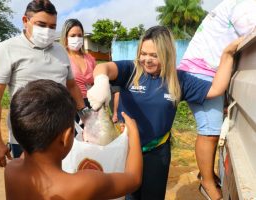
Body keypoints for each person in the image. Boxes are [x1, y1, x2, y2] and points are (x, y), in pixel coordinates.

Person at [87, 25, 242, 200]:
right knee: (129, 195)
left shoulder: (179, 80)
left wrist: (227, 55)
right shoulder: (131, 70)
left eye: (154, 55)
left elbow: (216, 89)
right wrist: (100, 81)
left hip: (157, 151)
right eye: (143, 53)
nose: (147, 59)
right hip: (126, 150)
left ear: (167, 54)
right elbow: (104, 68)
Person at [0, 0, 85, 167]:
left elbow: (72, 85)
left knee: (61, 185)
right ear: (25, 21)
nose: (47, 31)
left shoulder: (60, 50)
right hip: (26, 139)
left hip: (61, 137)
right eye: (41, 24)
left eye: (52, 27)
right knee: (29, 188)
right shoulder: (7, 49)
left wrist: (86, 115)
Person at [4, 79, 143, 200]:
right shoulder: (84, 184)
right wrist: (134, 134)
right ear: (65, 137)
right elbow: (133, 179)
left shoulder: (11, 171)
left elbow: (29, 146)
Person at [178, 0, 256, 199]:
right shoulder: (244, 4)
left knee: (209, 131)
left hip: (203, 69)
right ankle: (207, 183)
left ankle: (207, 174)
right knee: (209, 133)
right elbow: (250, 27)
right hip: (201, 71)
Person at [60, 18, 96, 110]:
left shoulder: (90, 58)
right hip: (71, 105)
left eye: (79, 35)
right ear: (65, 37)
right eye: (73, 35)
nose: (77, 38)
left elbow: (95, 82)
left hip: (92, 104)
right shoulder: (61, 58)